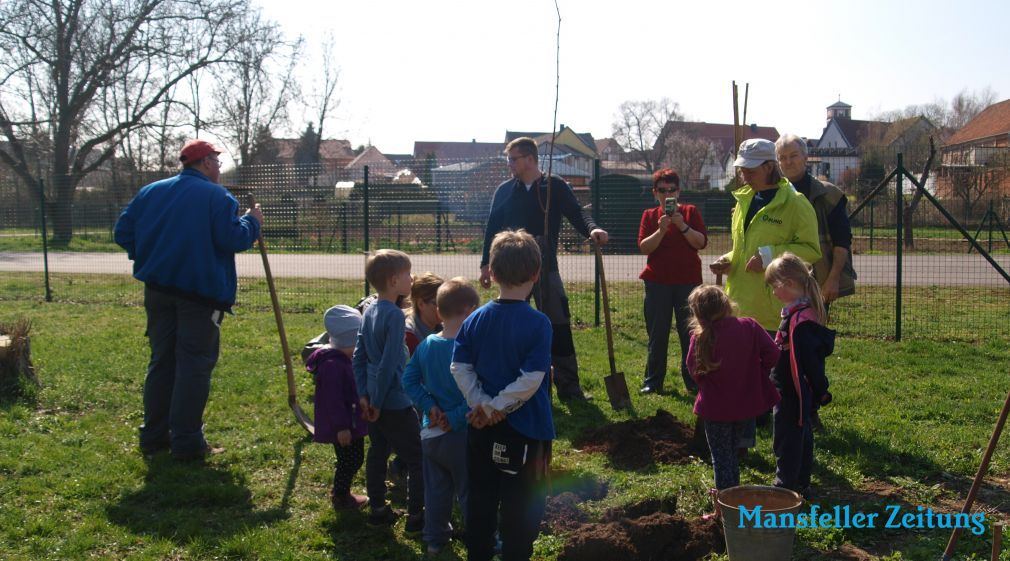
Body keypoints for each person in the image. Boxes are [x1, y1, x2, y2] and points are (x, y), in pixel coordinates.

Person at [113, 139, 263, 461]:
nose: (220, 170)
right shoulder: (217, 197)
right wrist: (253, 222)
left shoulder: (151, 192)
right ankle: (187, 442)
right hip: (199, 295)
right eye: (218, 163)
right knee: (193, 366)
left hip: (158, 290)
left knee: (162, 362)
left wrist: (150, 255)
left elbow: (122, 233)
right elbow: (232, 238)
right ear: (206, 162)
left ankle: (154, 437)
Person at [478, 137, 609, 401]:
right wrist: (485, 264)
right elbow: (492, 228)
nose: (509, 164)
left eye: (513, 159)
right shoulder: (504, 191)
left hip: (546, 267)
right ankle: (512, 385)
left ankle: (569, 388)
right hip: (510, 272)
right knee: (512, 326)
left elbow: (577, 213)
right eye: (509, 159)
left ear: (529, 159)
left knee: (558, 324)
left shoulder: (554, 186)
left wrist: (592, 228)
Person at [452, 229, 554, 561]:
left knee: (480, 496)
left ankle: (479, 554)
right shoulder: (539, 323)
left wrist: (480, 405)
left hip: (480, 428)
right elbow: (532, 379)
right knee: (522, 504)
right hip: (525, 430)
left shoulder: (473, 319)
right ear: (537, 274)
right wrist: (494, 407)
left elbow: (459, 367)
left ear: (492, 272)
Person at [402, 278, 480, 555]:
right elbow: (477, 393)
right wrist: (454, 417)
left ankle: (434, 539)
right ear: (471, 311)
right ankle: (480, 537)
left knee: (436, 491)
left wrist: (429, 408)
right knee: (470, 490)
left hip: (430, 434)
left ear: (439, 312)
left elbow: (409, 381)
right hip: (461, 435)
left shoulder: (426, 345)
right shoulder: (470, 349)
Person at [709, 138, 821, 332]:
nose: (745, 177)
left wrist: (769, 257)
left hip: (773, 316)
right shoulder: (743, 201)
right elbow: (744, 249)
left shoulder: (796, 203)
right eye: (742, 171)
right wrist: (728, 260)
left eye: (750, 171)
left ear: (769, 167)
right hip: (738, 309)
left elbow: (811, 251)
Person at [352, 249, 424, 533]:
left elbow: (359, 357)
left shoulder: (369, 310)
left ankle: (379, 510)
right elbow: (387, 364)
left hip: (373, 399)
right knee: (417, 458)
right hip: (392, 401)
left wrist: (364, 395)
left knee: (378, 451)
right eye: (408, 273)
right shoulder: (394, 316)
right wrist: (379, 401)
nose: (412, 277)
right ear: (394, 280)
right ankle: (417, 517)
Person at [686, 285, 780, 496]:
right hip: (745, 407)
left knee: (721, 458)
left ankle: (725, 506)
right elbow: (773, 353)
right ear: (728, 304)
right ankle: (733, 494)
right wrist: (757, 372)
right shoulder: (750, 327)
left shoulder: (700, 338)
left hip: (715, 409)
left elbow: (694, 371)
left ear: (698, 315)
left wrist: (709, 382)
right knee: (734, 454)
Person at [765, 253, 835, 498]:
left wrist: (819, 390)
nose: (774, 292)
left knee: (787, 439)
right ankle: (801, 482)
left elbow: (808, 362)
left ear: (791, 284)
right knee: (801, 435)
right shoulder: (799, 313)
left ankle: (785, 486)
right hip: (793, 390)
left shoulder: (800, 322)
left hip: (791, 391)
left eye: (775, 286)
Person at [637, 168, 708, 395]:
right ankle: (653, 381)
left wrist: (682, 226)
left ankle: (693, 381)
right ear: (654, 192)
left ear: (679, 191)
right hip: (657, 282)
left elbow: (700, 243)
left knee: (690, 334)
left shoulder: (690, 212)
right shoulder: (649, 216)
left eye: (672, 190)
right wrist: (661, 230)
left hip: (688, 282)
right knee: (657, 334)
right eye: (662, 190)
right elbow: (644, 247)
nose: (667, 195)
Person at [775, 134, 856, 309]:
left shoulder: (829, 195)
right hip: (781, 282)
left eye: (793, 156)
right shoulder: (772, 196)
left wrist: (833, 279)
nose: (788, 162)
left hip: (817, 283)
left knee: (810, 334)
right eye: (782, 157)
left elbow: (842, 241)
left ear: (805, 158)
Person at [305, 305, 368, 510]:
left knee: (353, 458)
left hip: (351, 420)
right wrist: (341, 426)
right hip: (343, 424)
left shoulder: (344, 359)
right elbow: (332, 401)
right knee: (350, 460)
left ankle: (341, 492)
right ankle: (341, 496)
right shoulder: (333, 365)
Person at [405, 272, 445, 355]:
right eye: (438, 303)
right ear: (421, 304)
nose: (444, 307)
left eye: (445, 302)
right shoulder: (409, 335)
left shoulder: (445, 327)